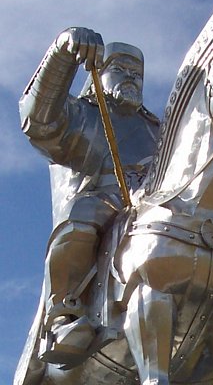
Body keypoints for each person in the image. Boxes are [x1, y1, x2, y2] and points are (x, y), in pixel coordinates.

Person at [19, 27, 159, 366]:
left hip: (157, 207)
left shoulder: (159, 129)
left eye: (136, 74)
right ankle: (64, 313)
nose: (131, 79)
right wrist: (62, 54)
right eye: (121, 69)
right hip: (105, 200)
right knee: (82, 219)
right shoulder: (85, 114)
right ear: (102, 71)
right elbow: (39, 121)